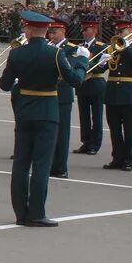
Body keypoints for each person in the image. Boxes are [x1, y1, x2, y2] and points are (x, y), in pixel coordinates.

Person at [0, 10, 89, 226]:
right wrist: (82, 62)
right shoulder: (55, 54)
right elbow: (76, 81)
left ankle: (21, 213)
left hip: (24, 112)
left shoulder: (16, 53)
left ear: (28, 30)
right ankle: (37, 213)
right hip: (47, 112)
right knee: (41, 165)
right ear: (46, 31)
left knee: (21, 163)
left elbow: (4, 85)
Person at [103, 16, 132, 172]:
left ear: (131, 32)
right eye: (118, 31)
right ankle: (117, 158)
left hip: (130, 93)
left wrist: (127, 48)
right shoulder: (112, 48)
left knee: (129, 128)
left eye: (122, 31)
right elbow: (102, 69)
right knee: (114, 128)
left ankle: (128, 159)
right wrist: (101, 61)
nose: (119, 34)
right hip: (112, 92)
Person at [73, 15, 108, 156]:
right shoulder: (80, 48)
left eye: (86, 29)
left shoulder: (101, 46)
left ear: (94, 30)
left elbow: (102, 67)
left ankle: (95, 144)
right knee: (84, 115)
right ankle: (86, 142)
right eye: (82, 29)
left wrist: (85, 64)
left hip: (96, 83)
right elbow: (74, 64)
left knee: (97, 115)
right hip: (83, 84)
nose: (83, 32)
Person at [48, 18, 78, 179]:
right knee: (47, 132)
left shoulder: (71, 49)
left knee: (62, 133)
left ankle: (60, 167)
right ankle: (49, 163)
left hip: (62, 94)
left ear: (63, 31)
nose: (52, 34)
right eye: (50, 32)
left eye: (55, 31)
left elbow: (69, 71)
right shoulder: (47, 48)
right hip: (47, 93)